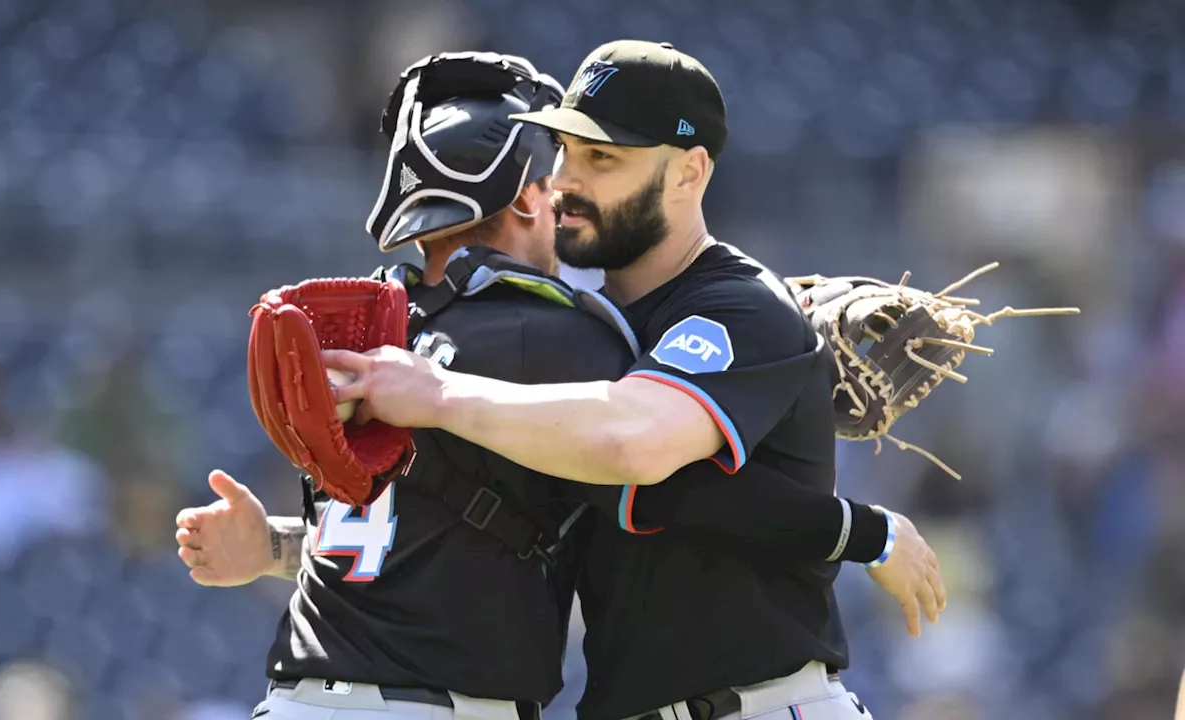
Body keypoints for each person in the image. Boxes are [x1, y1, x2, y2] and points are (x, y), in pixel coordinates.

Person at [177, 49, 940, 720]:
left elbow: (641, 457)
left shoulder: (712, 309)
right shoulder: (565, 336)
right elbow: (535, 496)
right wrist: (862, 533)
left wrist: (864, 533)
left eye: (603, 160)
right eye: (565, 153)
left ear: (689, 171)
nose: (568, 182)